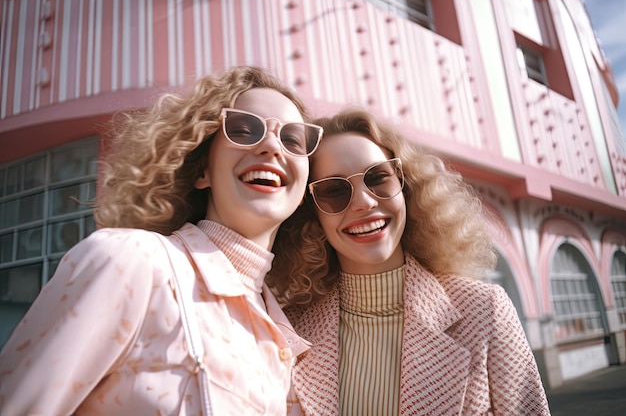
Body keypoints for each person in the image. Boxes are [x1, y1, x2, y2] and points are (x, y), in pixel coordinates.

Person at [0, 66, 323, 416]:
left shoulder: (288, 337)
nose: (272, 146)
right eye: (243, 130)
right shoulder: (132, 261)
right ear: (202, 170)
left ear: (305, 188)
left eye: (292, 140)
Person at [269, 109, 551, 415]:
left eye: (378, 178)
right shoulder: (289, 330)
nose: (364, 202)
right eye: (334, 191)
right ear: (312, 214)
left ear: (405, 186)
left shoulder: (485, 310)